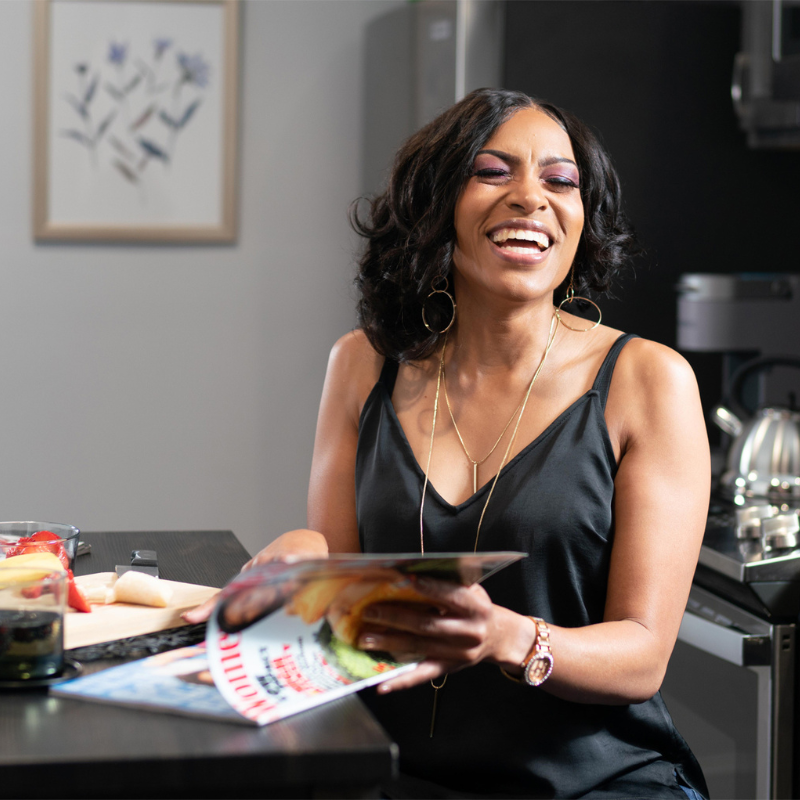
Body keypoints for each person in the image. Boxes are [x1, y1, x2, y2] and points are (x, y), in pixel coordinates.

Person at [187, 88, 710, 799]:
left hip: (597, 782)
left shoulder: (648, 380)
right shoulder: (362, 363)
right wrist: (307, 560)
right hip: (394, 774)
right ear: (435, 205)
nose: (531, 197)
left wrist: (504, 637)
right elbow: (348, 605)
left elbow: (643, 657)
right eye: (492, 172)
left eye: (560, 181)